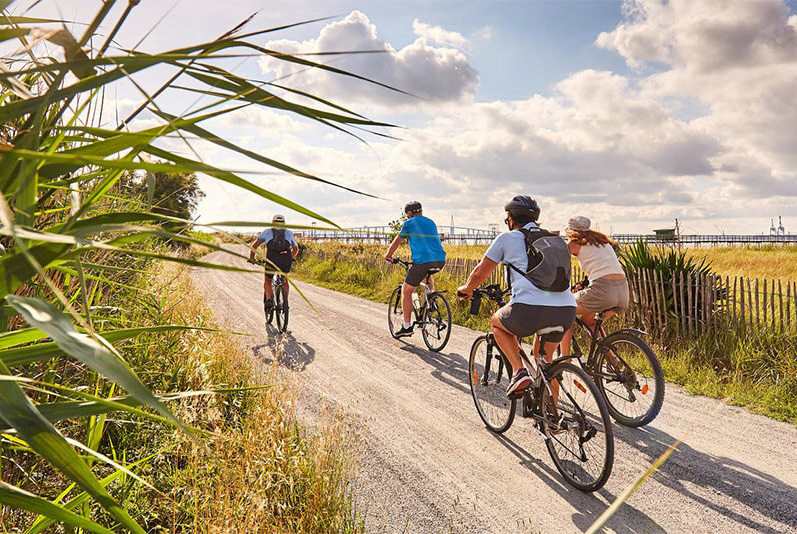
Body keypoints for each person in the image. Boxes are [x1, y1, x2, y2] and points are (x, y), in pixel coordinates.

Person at [457, 196, 576, 395]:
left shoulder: (507, 238)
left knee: (497, 323)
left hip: (529, 310)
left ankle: (518, 372)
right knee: (546, 364)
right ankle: (553, 422)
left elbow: (480, 272)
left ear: (511, 218)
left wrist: (467, 289)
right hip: (566, 310)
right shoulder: (557, 240)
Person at [558, 216, 629, 357]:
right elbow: (602, 265)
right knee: (589, 321)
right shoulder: (602, 242)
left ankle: (564, 358)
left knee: (564, 309)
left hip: (603, 290)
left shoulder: (574, 244)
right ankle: (613, 361)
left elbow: (558, 264)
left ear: (569, 231)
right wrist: (585, 285)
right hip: (622, 290)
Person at [384, 201, 446, 338]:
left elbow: (397, 242)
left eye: (407, 215)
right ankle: (431, 300)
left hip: (422, 261)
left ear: (410, 214)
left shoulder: (409, 224)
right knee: (427, 275)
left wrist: (388, 255)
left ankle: (406, 327)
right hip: (440, 260)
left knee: (406, 290)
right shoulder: (431, 222)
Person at [249, 214, 299, 311]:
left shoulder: (267, 232)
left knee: (268, 280)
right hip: (285, 260)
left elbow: (255, 246)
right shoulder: (289, 233)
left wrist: (252, 258)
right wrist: (291, 257)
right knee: (284, 280)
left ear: (272, 223)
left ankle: (268, 300)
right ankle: (285, 303)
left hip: (271, 260)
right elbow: (296, 248)